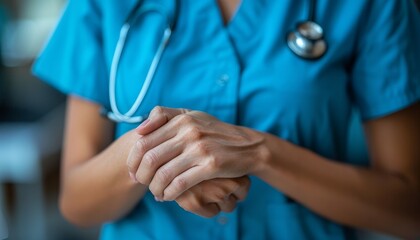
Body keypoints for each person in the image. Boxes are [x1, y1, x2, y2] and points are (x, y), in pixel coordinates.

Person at [32, 0, 420, 239]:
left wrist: (261, 154)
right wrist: (157, 153)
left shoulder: (372, 5)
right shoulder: (103, 4)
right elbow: (76, 202)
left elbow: (409, 211)